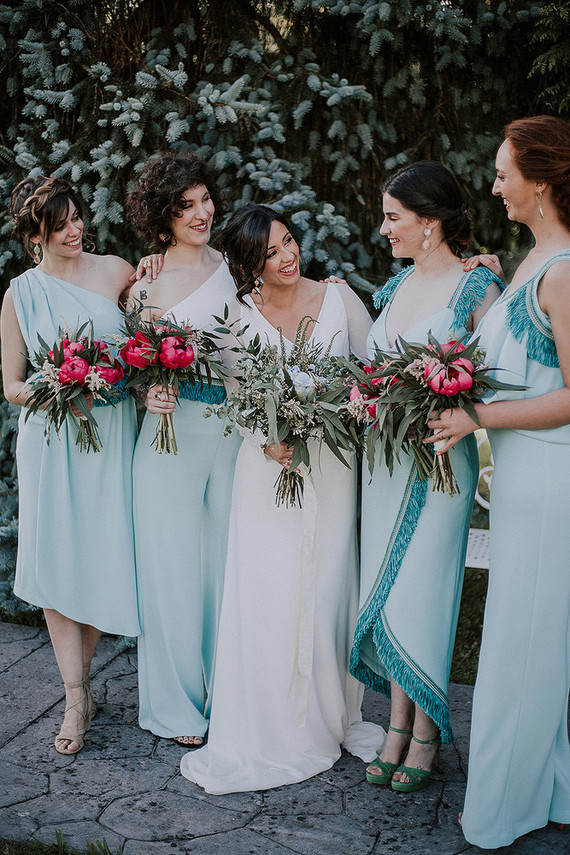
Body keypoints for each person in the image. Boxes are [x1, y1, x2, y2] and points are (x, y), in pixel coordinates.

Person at [180, 203, 385, 793]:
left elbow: (373, 376)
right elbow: (238, 394)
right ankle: (270, 723)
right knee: (269, 593)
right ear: (249, 264)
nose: (287, 255)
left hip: (332, 467)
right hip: (268, 476)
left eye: (289, 240)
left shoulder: (340, 300)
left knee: (324, 592)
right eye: (270, 252)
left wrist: (346, 408)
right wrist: (263, 437)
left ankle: (326, 715)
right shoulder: (239, 317)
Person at [427, 116, 570, 847]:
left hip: (551, 477)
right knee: (537, 638)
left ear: (540, 180)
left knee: (522, 643)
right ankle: (550, 788)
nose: (492, 183)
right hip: (521, 476)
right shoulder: (530, 260)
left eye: (502, 171)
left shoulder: (567, 269)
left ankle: (503, 806)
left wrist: (475, 415)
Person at [349, 161, 502, 792]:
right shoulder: (391, 289)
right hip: (383, 462)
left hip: (439, 465)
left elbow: (494, 374)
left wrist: (453, 403)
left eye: (394, 218)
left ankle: (428, 731)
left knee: (423, 589)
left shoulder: (476, 290)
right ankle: (394, 725)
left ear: (431, 223)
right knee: (384, 589)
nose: (384, 229)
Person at [0, 176, 140, 754]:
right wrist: (57, 385)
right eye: (60, 225)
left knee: (105, 552)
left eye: (78, 216)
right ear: (36, 235)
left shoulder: (119, 272)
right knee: (58, 559)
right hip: (52, 436)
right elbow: (10, 385)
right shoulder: (20, 294)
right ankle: (76, 696)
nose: (76, 229)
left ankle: (81, 683)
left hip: (112, 432)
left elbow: (156, 331)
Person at [126, 153, 241, 747]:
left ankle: (230, 695)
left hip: (232, 432)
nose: (201, 213)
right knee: (169, 569)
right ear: (162, 217)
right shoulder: (145, 287)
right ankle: (174, 709)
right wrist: (150, 391)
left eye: (204, 199)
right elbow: (133, 371)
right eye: (184, 205)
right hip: (169, 441)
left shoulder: (235, 264)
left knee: (227, 564)